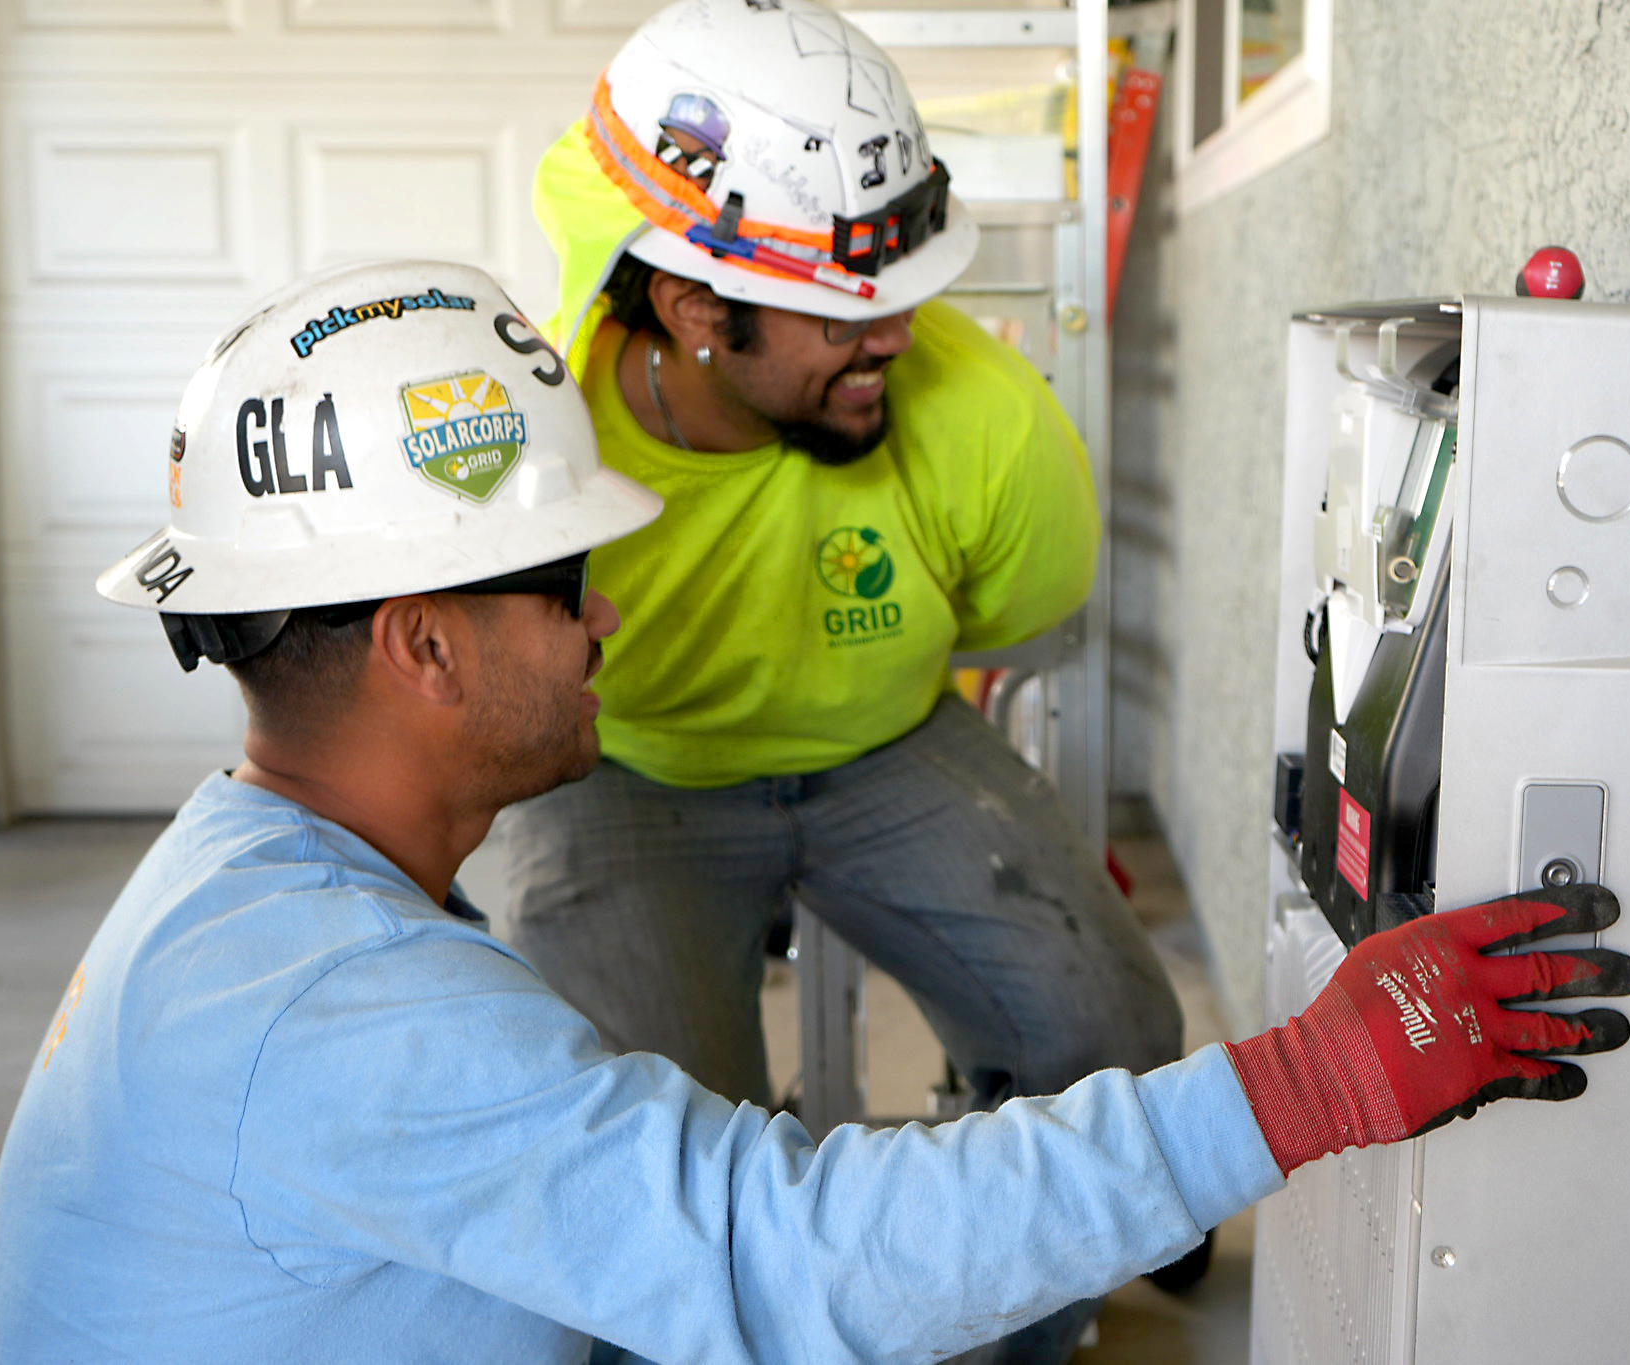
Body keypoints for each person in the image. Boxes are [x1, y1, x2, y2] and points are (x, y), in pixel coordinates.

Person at [0, 259, 1630, 1365]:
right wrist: (1308, 1078)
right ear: (420, 644)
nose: (609, 623)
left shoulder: (252, 884)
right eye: (568, 585)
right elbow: (784, 1256)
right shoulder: (344, 1009)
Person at [500, 0, 1175, 1172]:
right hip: (618, 768)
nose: (899, 341)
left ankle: (994, 1309)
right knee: (648, 1155)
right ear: (695, 307)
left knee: (1113, 1045)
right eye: (846, 316)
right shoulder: (543, 448)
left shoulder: (988, 423)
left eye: (901, 296)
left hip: (888, 745)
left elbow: (1017, 607)